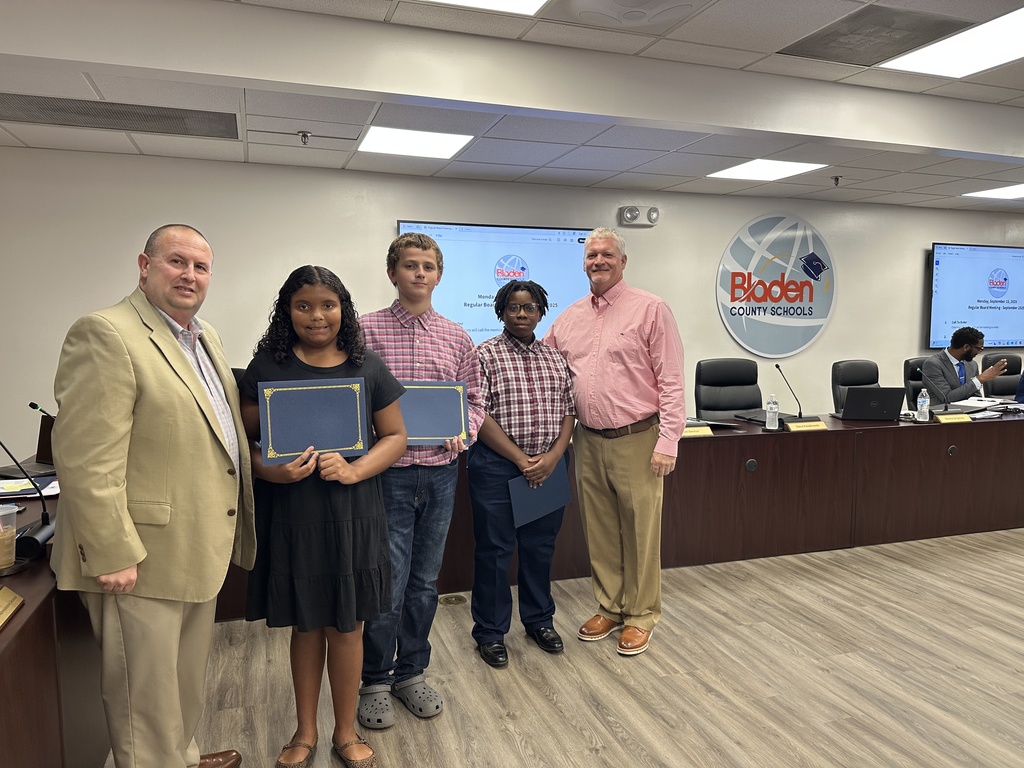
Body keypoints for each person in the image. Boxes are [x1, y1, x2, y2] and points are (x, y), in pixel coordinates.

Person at [50, 224, 254, 768]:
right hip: (139, 555)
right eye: (176, 262)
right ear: (145, 265)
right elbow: (85, 458)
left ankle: (180, 756)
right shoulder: (107, 332)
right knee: (143, 701)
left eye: (201, 267)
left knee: (180, 681)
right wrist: (112, 551)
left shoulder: (201, 335)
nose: (190, 275)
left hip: (193, 543)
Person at [239, 266, 407, 768]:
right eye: (304, 305)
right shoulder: (266, 366)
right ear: (287, 311)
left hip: (353, 513)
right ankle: (305, 731)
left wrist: (356, 471)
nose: (317, 316)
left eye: (328, 305)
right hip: (295, 514)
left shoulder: (367, 365)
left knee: (349, 626)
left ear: (344, 309)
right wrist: (272, 473)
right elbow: (242, 443)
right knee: (307, 626)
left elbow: (395, 438)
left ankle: (346, 730)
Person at [358, 232, 484, 730]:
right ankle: (374, 679)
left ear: (439, 274)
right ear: (393, 272)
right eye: (409, 265)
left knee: (425, 582)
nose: (419, 274)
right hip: (387, 474)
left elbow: (474, 402)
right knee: (386, 582)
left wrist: (464, 432)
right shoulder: (363, 332)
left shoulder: (457, 337)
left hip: (440, 474)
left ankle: (412, 672)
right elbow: (353, 398)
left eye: (428, 266)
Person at [544, 227, 685, 657]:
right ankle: (610, 605)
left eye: (607, 254)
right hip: (586, 441)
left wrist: (669, 441)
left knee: (641, 530)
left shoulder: (651, 309)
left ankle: (641, 614)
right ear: (583, 263)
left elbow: (672, 380)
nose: (598, 261)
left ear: (622, 262)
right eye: (591, 255)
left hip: (637, 439)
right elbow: (545, 366)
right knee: (600, 528)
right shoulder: (568, 318)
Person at [468, 280, 575, 669]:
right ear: (501, 311)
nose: (522, 314)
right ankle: (491, 632)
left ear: (541, 311)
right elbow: (478, 415)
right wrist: (520, 459)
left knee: (540, 548)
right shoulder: (484, 355)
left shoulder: (556, 358)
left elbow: (568, 411)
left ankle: (538, 621)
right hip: (497, 466)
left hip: (549, 465)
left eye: (529, 308)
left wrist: (553, 457)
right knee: (495, 551)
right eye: (514, 307)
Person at [922, 326, 1007, 405]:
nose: (979, 352)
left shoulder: (972, 365)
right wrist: (980, 379)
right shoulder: (933, 364)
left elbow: (975, 396)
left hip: (970, 414)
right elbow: (947, 398)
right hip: (942, 415)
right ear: (966, 347)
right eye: (978, 349)